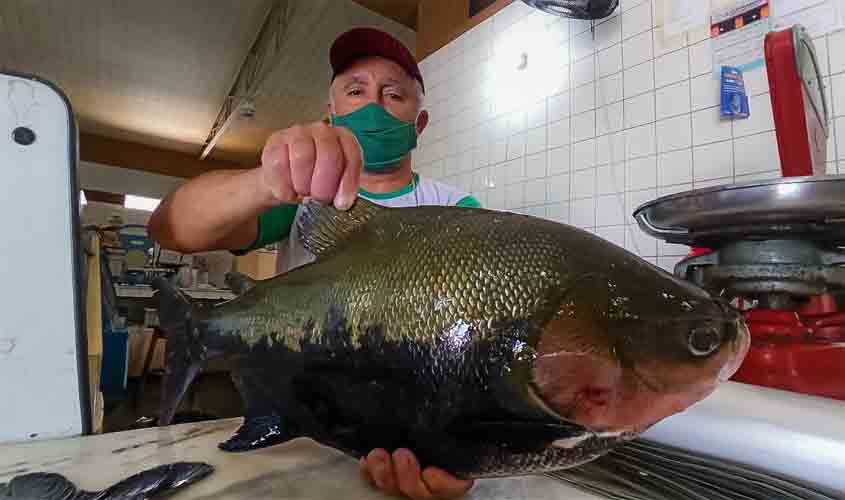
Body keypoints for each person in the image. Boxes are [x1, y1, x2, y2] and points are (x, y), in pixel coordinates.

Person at [148, 27, 478, 500]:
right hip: (295, 429)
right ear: (331, 114)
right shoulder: (300, 200)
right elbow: (170, 229)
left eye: (394, 94)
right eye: (355, 91)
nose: (373, 105)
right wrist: (268, 181)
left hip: (409, 421)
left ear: (418, 123)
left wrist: (464, 442)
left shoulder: (456, 209)